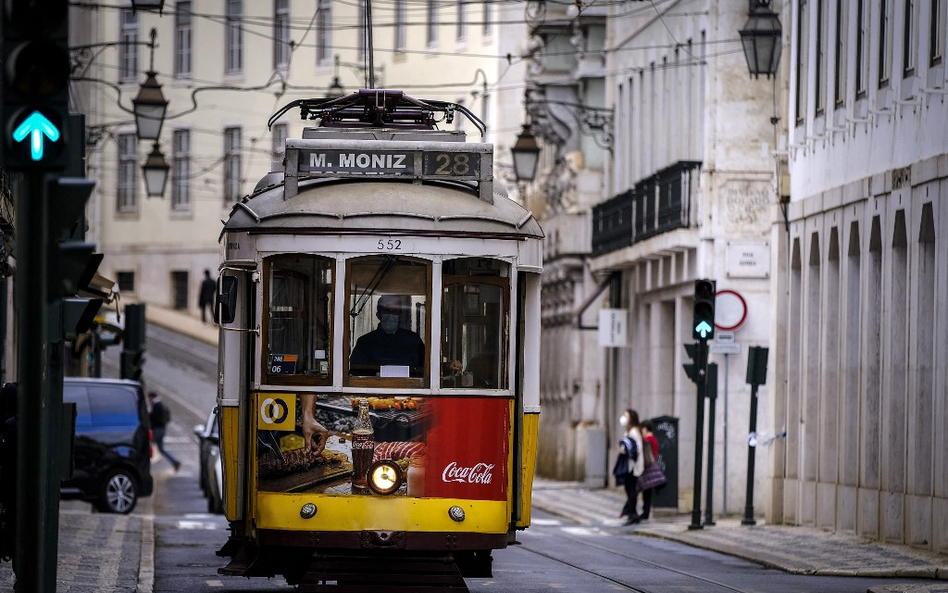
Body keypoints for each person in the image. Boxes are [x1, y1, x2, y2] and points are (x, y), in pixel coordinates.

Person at [350, 295, 425, 371]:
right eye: (386, 310)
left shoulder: (414, 340)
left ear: (400, 314)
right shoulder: (365, 342)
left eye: (395, 311)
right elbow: (356, 372)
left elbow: (424, 370)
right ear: (378, 314)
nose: (390, 315)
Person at [617, 409, 644, 525]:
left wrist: (625, 450)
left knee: (632, 490)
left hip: (633, 467)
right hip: (629, 466)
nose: (623, 417)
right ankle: (632, 514)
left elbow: (636, 448)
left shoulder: (634, 431)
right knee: (629, 490)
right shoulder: (629, 431)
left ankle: (633, 515)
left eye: (625, 415)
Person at [637, 420, 666, 521]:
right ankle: (645, 511)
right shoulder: (653, 438)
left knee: (646, 491)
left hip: (648, 467)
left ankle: (645, 512)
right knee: (647, 491)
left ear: (645, 428)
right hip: (651, 465)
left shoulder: (648, 439)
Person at [148, 392, 181, 472]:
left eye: (149, 398)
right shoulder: (159, 404)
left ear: (152, 397)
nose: (148, 400)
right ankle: (174, 462)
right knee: (161, 449)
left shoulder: (157, 405)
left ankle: (145, 465)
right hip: (162, 429)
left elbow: (154, 418)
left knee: (147, 446)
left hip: (158, 430)